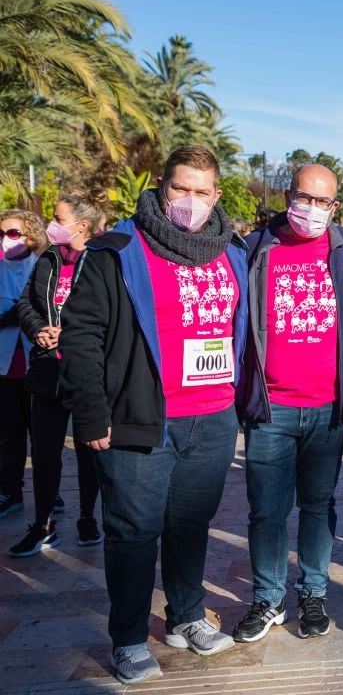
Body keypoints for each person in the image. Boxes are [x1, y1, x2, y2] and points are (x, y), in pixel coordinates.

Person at [59, 146, 248, 683]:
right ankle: (127, 637)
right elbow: (82, 337)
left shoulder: (231, 251)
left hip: (212, 420)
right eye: (180, 189)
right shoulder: (117, 249)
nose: (190, 201)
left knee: (191, 526)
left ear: (217, 196)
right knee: (134, 532)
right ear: (162, 188)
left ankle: (186, 616)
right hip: (141, 420)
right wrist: (90, 416)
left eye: (201, 191)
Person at [232, 165, 343, 643]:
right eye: (303, 197)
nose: (310, 209)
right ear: (288, 196)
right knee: (266, 511)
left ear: (335, 208)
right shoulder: (253, 249)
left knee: (318, 504)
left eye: (322, 202)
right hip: (271, 409)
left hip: (329, 409)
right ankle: (268, 599)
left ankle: (313, 592)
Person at [8, 192, 108, 558]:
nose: (51, 225)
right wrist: (38, 330)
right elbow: (25, 303)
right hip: (46, 369)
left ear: (81, 226)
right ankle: (43, 524)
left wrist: (71, 333)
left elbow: (114, 314)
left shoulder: (103, 260)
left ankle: (87, 518)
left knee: (87, 452)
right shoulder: (48, 259)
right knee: (46, 452)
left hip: (86, 373)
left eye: (57, 219)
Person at [0, 210, 48, 521]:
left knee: (43, 436)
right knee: (8, 434)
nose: (6, 240)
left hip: (38, 365)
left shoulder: (45, 268)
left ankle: (49, 492)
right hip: (5, 368)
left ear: (31, 236)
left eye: (13, 234)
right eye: (2, 234)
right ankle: (10, 492)